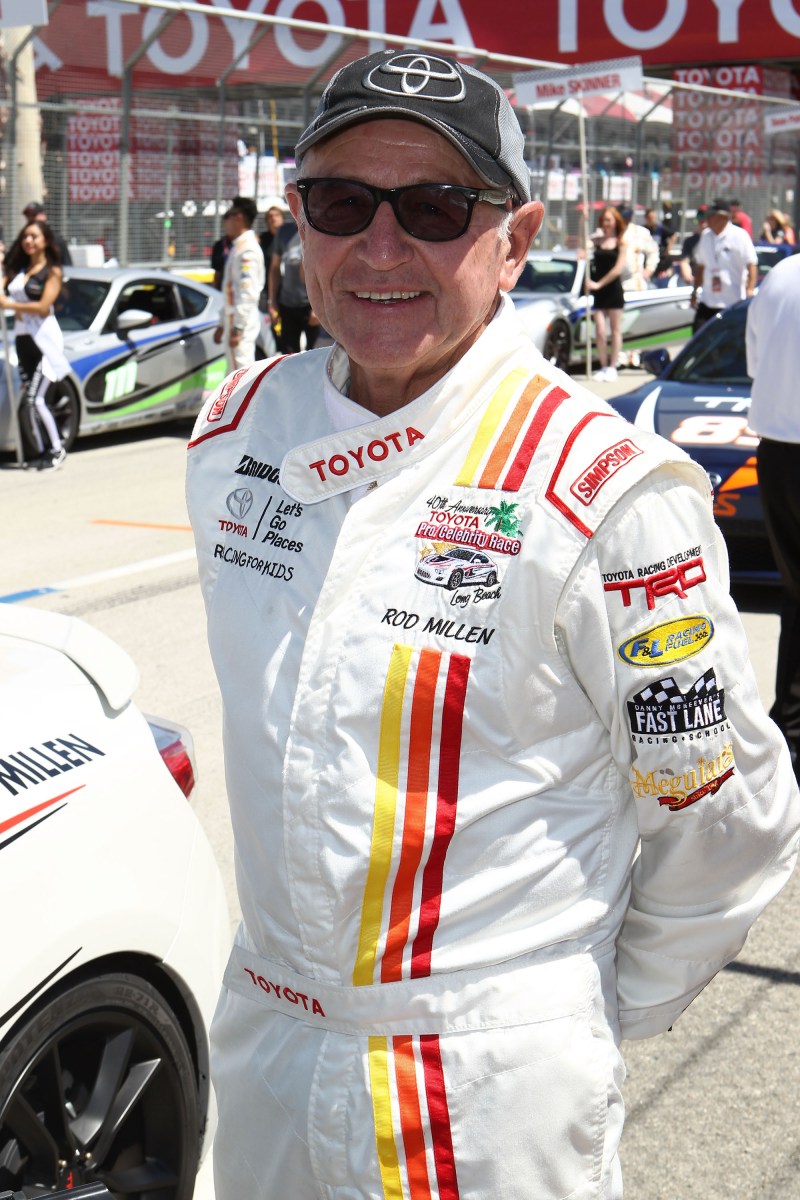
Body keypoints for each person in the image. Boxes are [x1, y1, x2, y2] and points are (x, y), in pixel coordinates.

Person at [186, 49, 799, 1200]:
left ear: (511, 242)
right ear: (296, 223)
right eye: (339, 202)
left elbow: (724, 824)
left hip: (481, 1091)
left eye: (432, 208)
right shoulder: (235, 433)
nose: (379, 247)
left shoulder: (604, 486)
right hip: (266, 1042)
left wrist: (551, 1016)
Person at [746, 252, 800, 782]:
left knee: (795, 595)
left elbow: (756, 366)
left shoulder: (781, 275)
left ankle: (788, 722)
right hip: (782, 444)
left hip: (780, 451)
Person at [0, 218, 69, 470]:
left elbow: (42, 307)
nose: (28, 241)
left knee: (35, 399)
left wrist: (11, 305)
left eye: (34, 236)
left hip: (45, 341)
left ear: (45, 241)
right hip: (22, 339)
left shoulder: (52, 271)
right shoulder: (17, 270)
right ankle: (39, 452)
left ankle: (57, 448)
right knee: (28, 399)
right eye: (25, 236)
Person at [213, 195, 265, 369]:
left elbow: (247, 293)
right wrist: (223, 323)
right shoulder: (239, 247)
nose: (224, 222)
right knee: (235, 371)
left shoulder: (247, 250)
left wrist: (238, 328)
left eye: (227, 216)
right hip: (234, 321)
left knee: (240, 374)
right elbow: (231, 293)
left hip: (240, 324)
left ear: (238, 217)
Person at [691, 198, 757, 332]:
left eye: (711, 215)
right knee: (698, 340)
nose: (706, 219)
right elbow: (701, 266)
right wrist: (695, 291)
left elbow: (752, 265)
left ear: (723, 217)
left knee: (727, 347)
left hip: (732, 303)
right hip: (708, 301)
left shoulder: (739, 236)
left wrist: (750, 290)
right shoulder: (705, 236)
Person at [267, 212, 320, 352]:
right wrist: (272, 301)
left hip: (310, 305)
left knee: (315, 356)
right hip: (287, 304)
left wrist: (318, 306)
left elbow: (323, 268)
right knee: (289, 354)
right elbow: (274, 268)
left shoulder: (317, 227)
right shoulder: (284, 231)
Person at [586, 205, 627, 381]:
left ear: (616, 222)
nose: (606, 223)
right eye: (604, 220)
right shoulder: (597, 240)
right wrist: (583, 220)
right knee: (600, 330)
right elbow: (583, 243)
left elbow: (618, 269)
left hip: (612, 289)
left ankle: (612, 365)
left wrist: (598, 284)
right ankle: (602, 365)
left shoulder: (621, 242)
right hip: (598, 291)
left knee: (615, 330)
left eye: (609, 220)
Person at [22, 201, 72, 267]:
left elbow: (67, 265)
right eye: (28, 216)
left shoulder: (57, 240)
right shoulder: (22, 240)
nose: (28, 241)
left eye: (33, 215)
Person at [619, 207, 659, 290]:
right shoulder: (610, 232)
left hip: (635, 284)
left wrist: (649, 269)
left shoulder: (640, 232)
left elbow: (653, 251)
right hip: (616, 284)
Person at [678, 205, 708, 283]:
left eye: (706, 218)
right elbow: (685, 262)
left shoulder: (717, 240)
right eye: (700, 217)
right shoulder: (690, 241)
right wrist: (688, 276)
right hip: (695, 280)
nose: (703, 222)